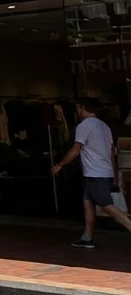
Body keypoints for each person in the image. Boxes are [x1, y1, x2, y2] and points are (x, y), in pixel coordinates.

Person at [53, 101, 131, 248]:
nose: (76, 111)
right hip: (103, 171)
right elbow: (111, 153)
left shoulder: (85, 125)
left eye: (77, 108)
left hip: (96, 172)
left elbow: (76, 149)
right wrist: (113, 174)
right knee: (87, 203)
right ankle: (87, 238)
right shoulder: (104, 126)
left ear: (83, 108)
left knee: (106, 205)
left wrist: (60, 165)